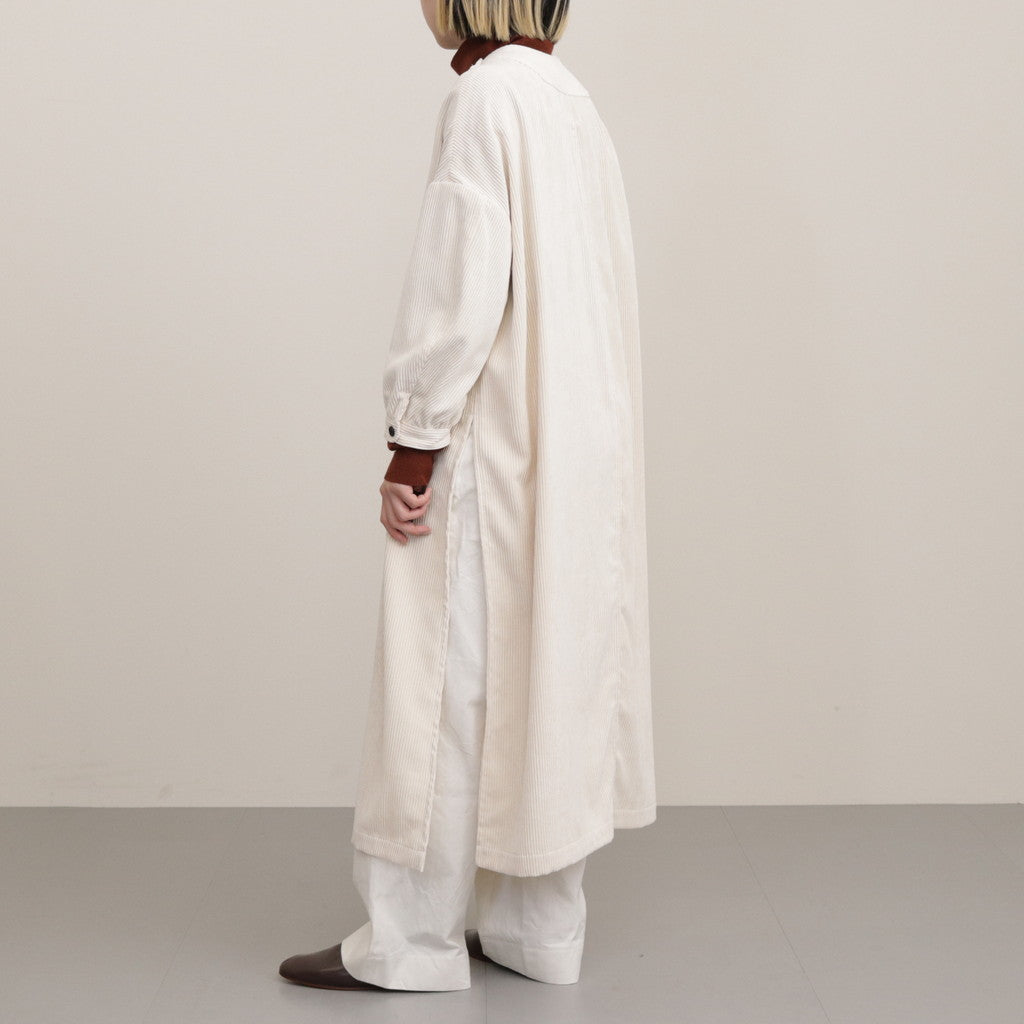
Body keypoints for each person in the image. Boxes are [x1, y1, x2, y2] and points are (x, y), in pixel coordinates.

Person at [279, 0, 656, 993]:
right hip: (579, 443)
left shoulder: (486, 99)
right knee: (551, 672)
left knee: (443, 681)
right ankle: (537, 927)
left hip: (496, 438)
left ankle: (409, 942)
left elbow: (458, 283)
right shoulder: (572, 102)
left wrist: (414, 443)